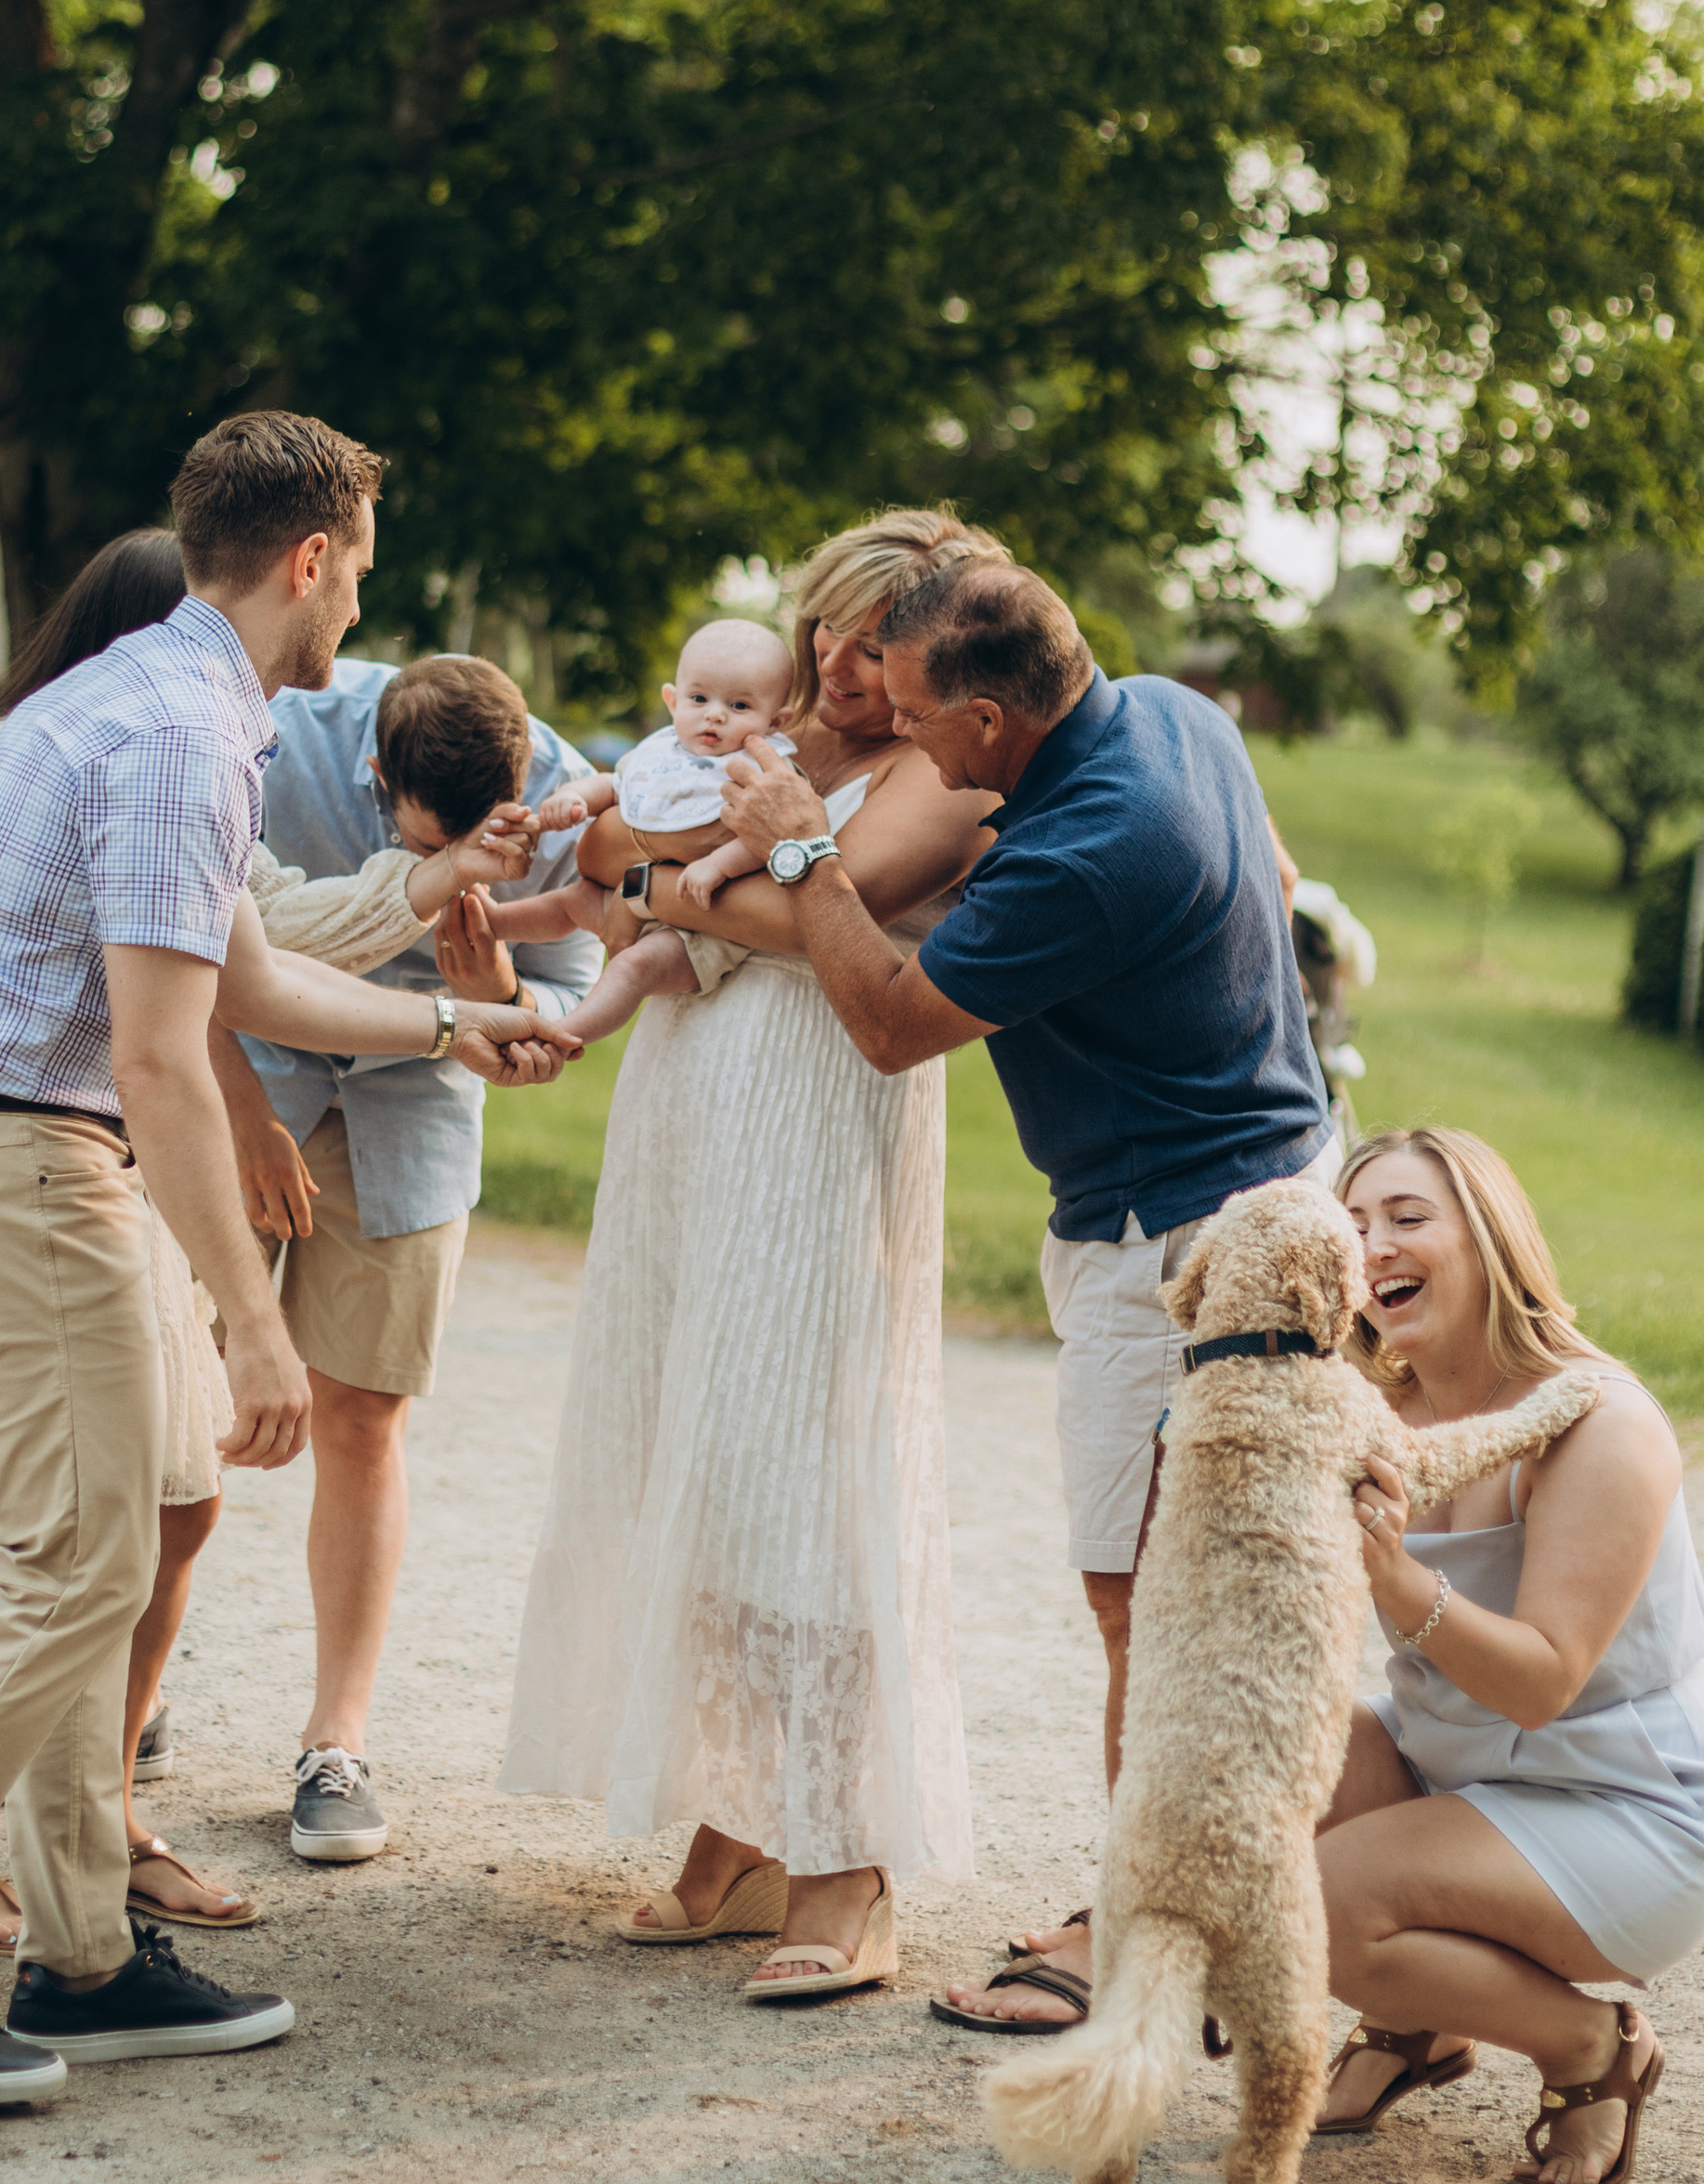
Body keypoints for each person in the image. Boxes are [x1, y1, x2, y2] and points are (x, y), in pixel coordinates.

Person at [0, 413, 576, 2107]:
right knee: (73, 1560)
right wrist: (258, 1340)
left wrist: (453, 1018)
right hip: (12, 1156)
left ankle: (86, 1957)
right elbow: (159, 1054)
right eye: (359, 561)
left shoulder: (161, 704)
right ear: (309, 559)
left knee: (90, 1550)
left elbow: (254, 978)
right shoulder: (186, 730)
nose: (361, 595)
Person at [706, 557, 1334, 2037]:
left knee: (1145, 1602)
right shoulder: (1177, 715)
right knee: (1224, 1600)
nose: (907, 748)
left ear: (992, 719)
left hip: (1171, 1245)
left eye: (921, 718)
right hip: (1281, 1179)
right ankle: (1213, 1914)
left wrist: (805, 852)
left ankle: (1138, 1934)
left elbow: (888, 1022)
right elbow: (1286, 883)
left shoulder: (1088, 847)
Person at [500, 511, 1007, 1996]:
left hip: (818, 1113)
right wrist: (667, 876)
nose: (843, 665)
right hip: (688, 1101)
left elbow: (806, 915)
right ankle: (731, 1823)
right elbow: (605, 843)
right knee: (697, 1444)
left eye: (874, 641)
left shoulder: (936, 771)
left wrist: (667, 882)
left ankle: (850, 1867)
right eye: (826, 634)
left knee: (809, 1468)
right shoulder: (769, 735)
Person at [210, 649, 600, 1862]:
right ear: (376, 776)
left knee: (364, 1418)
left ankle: (336, 1742)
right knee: (166, 1390)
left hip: (413, 1107)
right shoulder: (274, 737)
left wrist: (486, 983)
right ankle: (131, 1690)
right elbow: (179, 955)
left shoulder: (563, 805)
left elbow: (535, 1030)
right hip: (241, 1089)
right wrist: (240, 1117)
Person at [1310, 1126, 1704, 2184]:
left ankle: (1591, 2051)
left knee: (1312, 1905)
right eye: (1353, 1225)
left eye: (1408, 1219)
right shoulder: (1379, 1408)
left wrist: (1395, 1579)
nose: (1374, 1247)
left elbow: (1544, 1681)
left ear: (1490, 1236)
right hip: (1464, 1773)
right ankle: (1415, 2022)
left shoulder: (1598, 1420)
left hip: (1627, 1809)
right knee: (1261, 1760)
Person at [488, 618, 798, 1042]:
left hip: (699, 925)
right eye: (699, 697)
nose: (715, 714)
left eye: (740, 706)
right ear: (673, 700)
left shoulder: (767, 771)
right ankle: (490, 924)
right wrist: (576, 797)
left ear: (778, 720)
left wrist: (719, 867)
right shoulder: (661, 752)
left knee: (632, 969)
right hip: (625, 896)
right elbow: (616, 787)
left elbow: (766, 837)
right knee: (571, 902)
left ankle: (556, 1036)